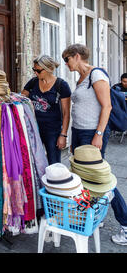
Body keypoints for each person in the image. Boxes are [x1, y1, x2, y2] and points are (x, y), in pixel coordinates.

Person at [62, 43, 127, 246]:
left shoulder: (96, 75)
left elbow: (106, 106)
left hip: (93, 132)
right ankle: (92, 217)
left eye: (67, 59)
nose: (66, 64)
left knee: (100, 178)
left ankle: (125, 224)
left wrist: (98, 134)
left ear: (78, 56)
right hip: (80, 132)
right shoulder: (81, 78)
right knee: (83, 177)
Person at [21, 55, 71, 164]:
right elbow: (21, 100)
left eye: (38, 70)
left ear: (49, 69)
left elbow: (66, 113)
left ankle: (54, 181)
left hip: (52, 131)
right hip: (33, 129)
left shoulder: (61, 86)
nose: (35, 73)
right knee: (33, 162)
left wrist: (63, 135)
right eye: (34, 70)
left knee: (53, 163)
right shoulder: (33, 83)